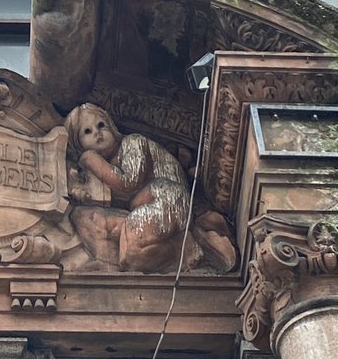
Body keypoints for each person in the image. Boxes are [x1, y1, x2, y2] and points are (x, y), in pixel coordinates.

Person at [65, 103, 235, 274]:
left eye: (101, 125)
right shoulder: (104, 168)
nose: (97, 133)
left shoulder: (132, 142)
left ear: (112, 126)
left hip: (168, 197)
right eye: (87, 132)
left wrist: (94, 162)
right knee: (130, 258)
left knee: (133, 243)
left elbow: (129, 182)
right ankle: (181, 253)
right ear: (78, 144)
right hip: (147, 208)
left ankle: (191, 249)